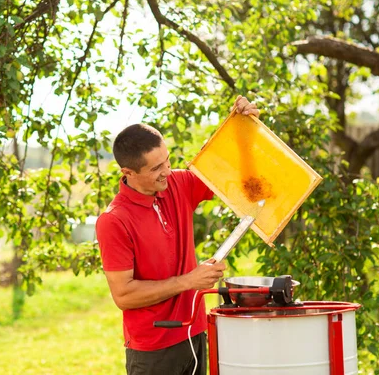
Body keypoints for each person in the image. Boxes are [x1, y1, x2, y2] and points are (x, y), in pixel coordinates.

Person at [96, 96, 260, 375]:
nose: (167, 172)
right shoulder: (114, 221)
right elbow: (123, 295)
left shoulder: (178, 184)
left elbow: (225, 167)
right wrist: (189, 281)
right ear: (128, 172)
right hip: (153, 350)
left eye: (168, 161)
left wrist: (242, 124)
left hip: (194, 334)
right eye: (156, 168)